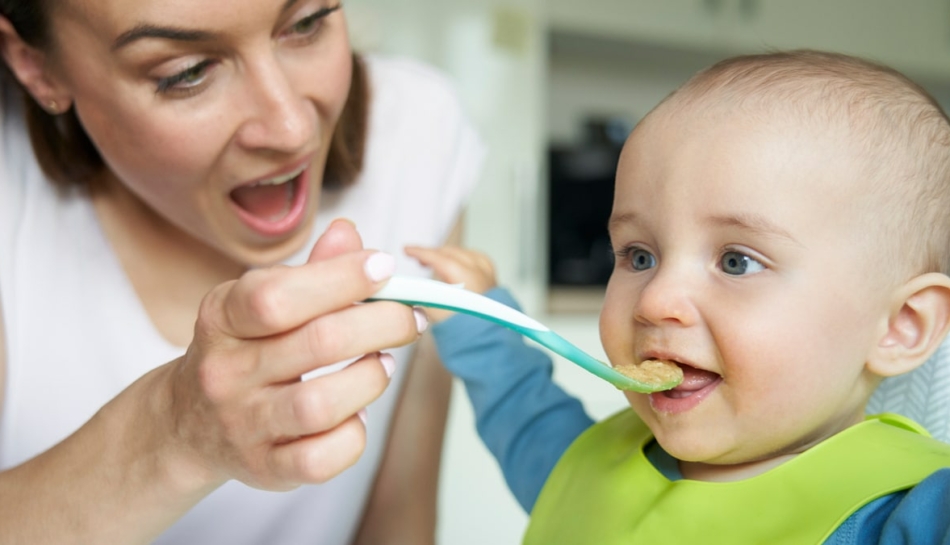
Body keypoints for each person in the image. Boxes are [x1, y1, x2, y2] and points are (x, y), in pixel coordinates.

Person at [407, 50, 950, 543]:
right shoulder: (579, 468)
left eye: (737, 262)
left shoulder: (905, 515)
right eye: (639, 256)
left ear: (902, 325)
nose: (655, 299)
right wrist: (475, 316)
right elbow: (521, 409)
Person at [0, 1, 483, 543]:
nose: (292, 129)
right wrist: (173, 432)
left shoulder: (418, 136)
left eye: (307, 23)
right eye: (186, 73)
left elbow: (398, 524)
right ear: (35, 65)